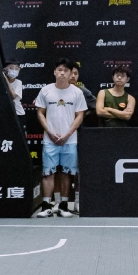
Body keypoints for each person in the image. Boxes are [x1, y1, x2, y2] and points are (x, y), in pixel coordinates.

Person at [34, 59, 86, 218]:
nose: (62, 73)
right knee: (48, 173)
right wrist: (49, 132)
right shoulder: (45, 90)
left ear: (71, 74)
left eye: (66, 70)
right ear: (54, 72)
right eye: (59, 70)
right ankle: (46, 206)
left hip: (70, 140)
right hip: (50, 140)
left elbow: (80, 115)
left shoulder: (77, 92)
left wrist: (67, 134)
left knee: (66, 173)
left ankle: (63, 206)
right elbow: (40, 113)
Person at [2, 61, 26, 131]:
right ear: (5, 70)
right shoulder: (0, 82)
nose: (14, 70)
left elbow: (13, 96)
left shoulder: (18, 82)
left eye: (17, 68)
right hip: (5, 113)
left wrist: (6, 80)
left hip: (18, 113)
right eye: (11, 68)